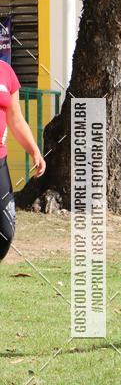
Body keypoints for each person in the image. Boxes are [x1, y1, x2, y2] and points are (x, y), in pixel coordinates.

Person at [0, 58, 46, 261]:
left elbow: (16, 119)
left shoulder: (6, 72)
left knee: (5, 232)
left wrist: (34, 150)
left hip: (0, 161)